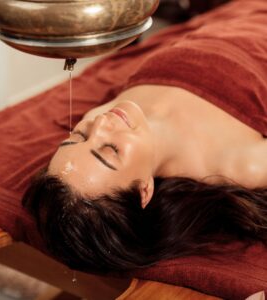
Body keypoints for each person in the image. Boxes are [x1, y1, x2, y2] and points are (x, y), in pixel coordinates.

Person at [22, 0, 267, 274]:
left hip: (229, 14)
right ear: (144, 190)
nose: (102, 124)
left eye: (78, 136)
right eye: (111, 150)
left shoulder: (102, 115)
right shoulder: (240, 164)